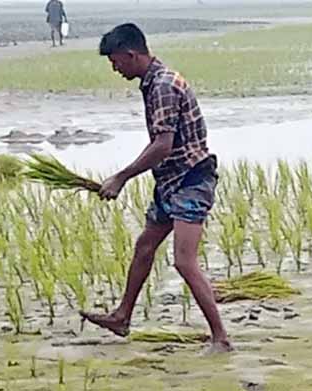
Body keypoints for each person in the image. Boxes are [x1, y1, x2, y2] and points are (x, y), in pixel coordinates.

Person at [79, 23, 233, 355]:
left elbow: (163, 145)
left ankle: (220, 337)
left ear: (131, 54)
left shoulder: (162, 86)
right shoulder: (153, 82)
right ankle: (122, 317)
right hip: (171, 180)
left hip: (191, 179)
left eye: (116, 60)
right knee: (145, 247)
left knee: (183, 261)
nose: (114, 68)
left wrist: (121, 177)